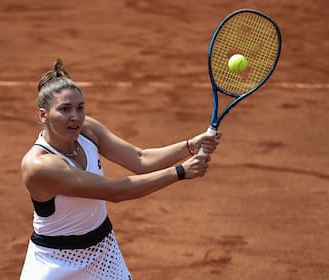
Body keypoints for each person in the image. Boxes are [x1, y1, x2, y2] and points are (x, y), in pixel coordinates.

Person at [19, 58, 221, 280]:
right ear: (43, 115)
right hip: (55, 263)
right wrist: (180, 172)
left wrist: (190, 146)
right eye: (65, 109)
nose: (75, 117)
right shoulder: (39, 165)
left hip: (103, 252)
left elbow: (140, 159)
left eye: (80, 108)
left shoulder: (88, 131)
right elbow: (115, 191)